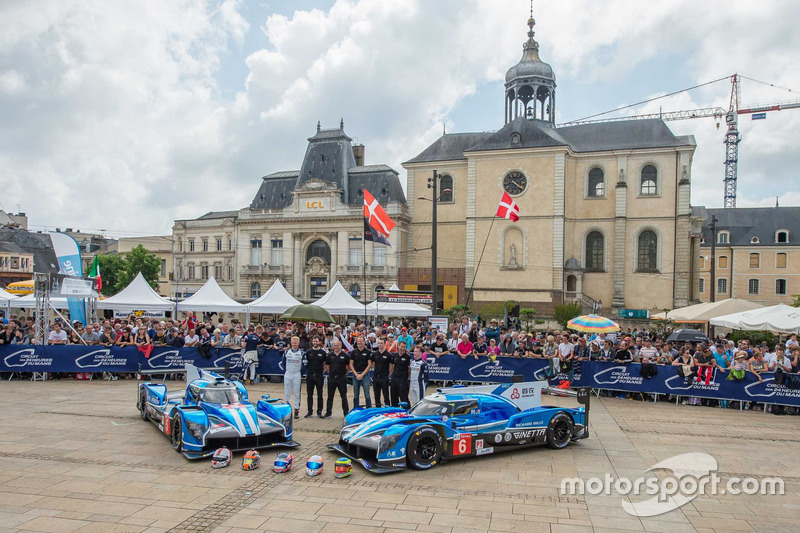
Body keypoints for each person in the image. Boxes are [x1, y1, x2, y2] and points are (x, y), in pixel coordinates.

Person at [324, 340, 350, 418]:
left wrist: (344, 374)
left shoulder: (345, 355)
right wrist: (331, 373)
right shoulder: (329, 355)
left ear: (340, 346)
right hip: (332, 378)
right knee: (330, 396)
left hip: (341, 378)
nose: (336, 347)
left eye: (337, 345)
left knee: (344, 396)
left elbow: (348, 367)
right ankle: (328, 412)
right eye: (334, 345)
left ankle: (346, 413)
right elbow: (327, 366)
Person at [305, 335, 327, 418]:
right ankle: (310, 411)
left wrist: (322, 372)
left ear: (319, 342)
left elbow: (326, 364)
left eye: (316, 341)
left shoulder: (323, 352)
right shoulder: (308, 352)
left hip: (319, 376)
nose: (315, 343)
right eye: (314, 341)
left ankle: (319, 411)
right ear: (312, 342)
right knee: (309, 394)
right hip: (310, 375)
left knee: (320, 394)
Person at [283, 336, 305, 420]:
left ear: (298, 343)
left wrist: (300, 373)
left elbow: (304, 365)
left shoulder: (302, 353)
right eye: (293, 342)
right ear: (291, 343)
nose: (294, 344)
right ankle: (287, 410)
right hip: (288, 373)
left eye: (296, 342)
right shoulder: (286, 352)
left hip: (297, 374)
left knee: (297, 392)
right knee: (287, 392)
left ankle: (296, 410)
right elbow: (283, 363)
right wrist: (287, 371)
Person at [349, 336, 373, 409]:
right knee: (356, 394)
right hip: (356, 375)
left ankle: (369, 409)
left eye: (361, 341)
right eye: (358, 341)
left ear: (364, 342)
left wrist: (362, 374)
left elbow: (369, 364)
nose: (359, 343)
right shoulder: (354, 352)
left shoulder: (368, 352)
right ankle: (356, 409)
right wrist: (356, 374)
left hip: (365, 375)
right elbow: (350, 364)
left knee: (367, 394)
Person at [372, 338, 393, 408]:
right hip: (376, 378)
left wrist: (387, 375)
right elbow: (374, 365)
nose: (380, 345)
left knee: (386, 395)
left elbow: (391, 367)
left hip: (384, 378)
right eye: (379, 343)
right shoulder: (375, 354)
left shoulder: (388, 355)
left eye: (381, 343)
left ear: (384, 344)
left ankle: (387, 409)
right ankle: (378, 410)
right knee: (377, 396)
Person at [390, 343, 411, 407]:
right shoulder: (395, 356)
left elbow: (409, 369)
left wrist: (406, 377)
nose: (403, 348)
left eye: (404, 347)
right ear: (398, 346)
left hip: (403, 379)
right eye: (401, 346)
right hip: (394, 378)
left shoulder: (407, 357)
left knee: (403, 397)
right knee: (393, 396)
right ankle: (395, 410)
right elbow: (392, 366)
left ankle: (406, 411)